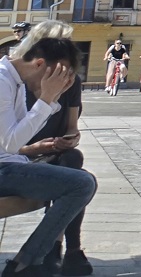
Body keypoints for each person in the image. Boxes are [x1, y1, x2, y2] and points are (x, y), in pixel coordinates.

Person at [0, 26, 96, 277]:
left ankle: (33, 259)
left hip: (12, 162)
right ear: (41, 63)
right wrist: (47, 100)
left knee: (80, 176)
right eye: (57, 74)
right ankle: (28, 261)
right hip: (4, 167)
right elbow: (10, 142)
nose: (61, 80)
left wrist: (50, 100)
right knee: (81, 184)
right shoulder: (2, 81)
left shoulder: (16, 81)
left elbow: (18, 136)